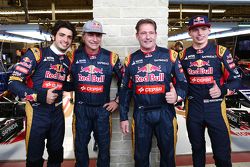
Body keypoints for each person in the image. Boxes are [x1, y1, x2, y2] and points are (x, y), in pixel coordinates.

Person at [119, 18, 188, 167]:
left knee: (168, 156)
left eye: (151, 32)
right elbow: (124, 91)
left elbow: (183, 83)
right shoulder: (130, 60)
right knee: (140, 158)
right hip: (141, 114)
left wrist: (177, 96)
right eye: (143, 33)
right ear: (137, 35)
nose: (147, 36)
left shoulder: (171, 56)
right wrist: (123, 117)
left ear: (156, 34)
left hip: (165, 112)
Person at [8, 20, 77, 167]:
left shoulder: (67, 61)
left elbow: (62, 84)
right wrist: (39, 96)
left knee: (57, 154)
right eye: (62, 35)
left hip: (57, 113)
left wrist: (81, 85)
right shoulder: (36, 53)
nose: (65, 40)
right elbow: (13, 82)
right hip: (37, 111)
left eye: (69, 37)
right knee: (34, 159)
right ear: (53, 36)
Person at [179, 15, 241, 167]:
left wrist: (222, 90)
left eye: (203, 29)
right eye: (195, 30)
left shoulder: (221, 52)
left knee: (222, 154)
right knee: (197, 151)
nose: (199, 33)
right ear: (189, 32)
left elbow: (236, 80)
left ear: (209, 30)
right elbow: (180, 82)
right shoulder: (183, 55)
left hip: (215, 108)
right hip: (193, 108)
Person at [69, 20, 123, 167]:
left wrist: (117, 101)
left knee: (104, 149)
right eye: (91, 35)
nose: (95, 39)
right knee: (80, 148)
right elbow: (60, 79)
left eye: (98, 35)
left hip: (102, 110)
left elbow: (125, 81)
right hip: (81, 110)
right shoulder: (72, 56)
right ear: (83, 36)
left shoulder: (111, 57)